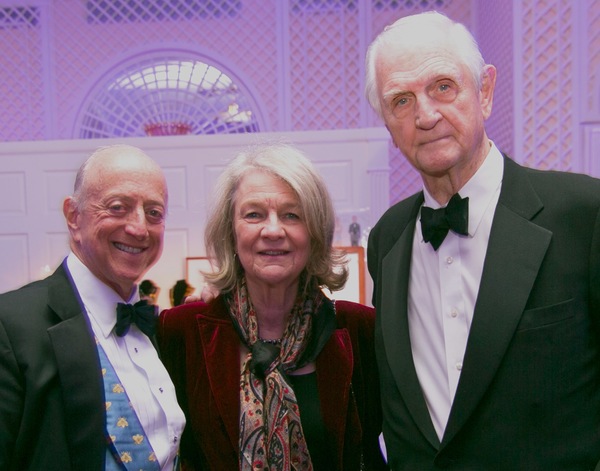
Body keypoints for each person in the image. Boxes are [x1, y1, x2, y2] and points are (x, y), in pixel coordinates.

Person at [364, 10, 600, 470]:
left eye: (443, 87)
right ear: (389, 126)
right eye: (402, 101)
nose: (426, 115)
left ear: (485, 91)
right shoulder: (387, 239)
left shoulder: (583, 214)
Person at [158, 142, 387, 470]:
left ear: (315, 233)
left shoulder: (361, 329)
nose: (273, 230)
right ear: (230, 231)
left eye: (292, 215)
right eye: (254, 214)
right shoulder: (182, 331)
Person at [0, 144, 185, 470]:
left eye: (154, 213)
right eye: (118, 207)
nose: (139, 228)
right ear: (74, 216)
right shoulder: (11, 325)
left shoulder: (163, 332)